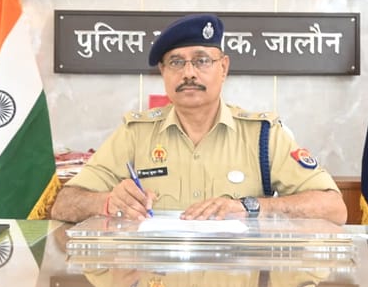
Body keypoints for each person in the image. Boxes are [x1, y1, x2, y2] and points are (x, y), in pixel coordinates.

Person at [50, 13, 347, 224]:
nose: (189, 73)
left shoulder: (262, 134)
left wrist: (251, 207)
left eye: (202, 60)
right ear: (163, 72)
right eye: (176, 62)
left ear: (224, 67)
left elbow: (334, 208)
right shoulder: (135, 133)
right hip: (157, 286)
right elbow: (64, 204)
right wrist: (107, 202)